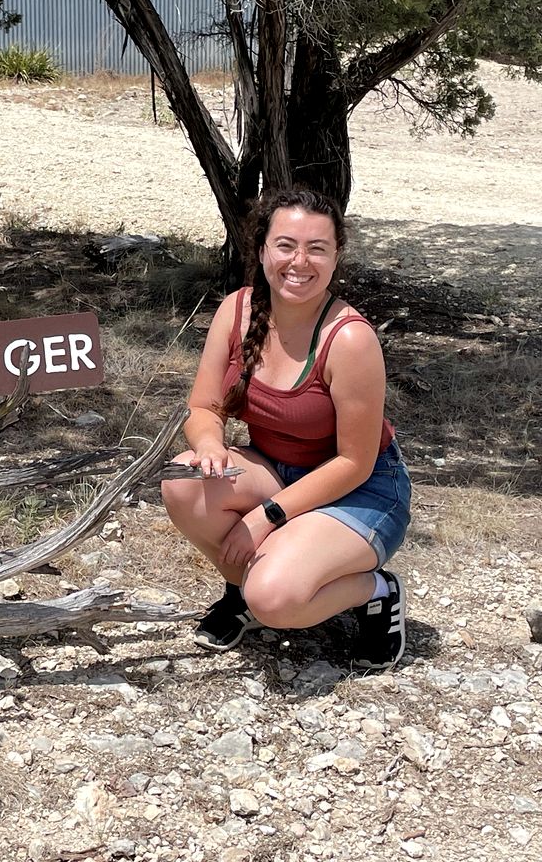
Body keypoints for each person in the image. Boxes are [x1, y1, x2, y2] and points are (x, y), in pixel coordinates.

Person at [161, 186, 412, 670]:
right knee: (182, 481)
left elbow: (355, 462)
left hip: (361, 489)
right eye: (286, 245)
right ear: (261, 250)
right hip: (276, 469)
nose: (300, 261)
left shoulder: (351, 339)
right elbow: (203, 404)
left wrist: (265, 517)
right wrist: (210, 445)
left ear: (336, 256)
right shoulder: (237, 309)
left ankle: (376, 591)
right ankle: (243, 590)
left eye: (317, 248)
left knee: (276, 600)